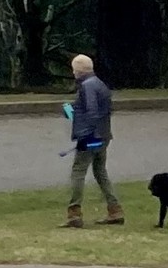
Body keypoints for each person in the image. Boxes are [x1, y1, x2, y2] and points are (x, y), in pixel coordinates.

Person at [66, 53, 123, 227]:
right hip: (104, 135)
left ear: (78, 70)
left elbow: (91, 111)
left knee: (78, 172)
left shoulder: (87, 86)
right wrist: (72, 111)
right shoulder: (100, 84)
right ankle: (115, 209)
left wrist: (88, 134)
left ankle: (74, 213)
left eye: (74, 69)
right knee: (100, 171)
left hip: (90, 136)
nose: (73, 73)